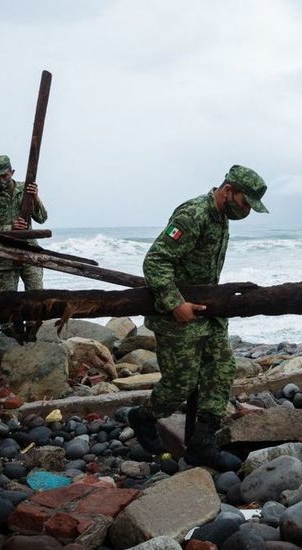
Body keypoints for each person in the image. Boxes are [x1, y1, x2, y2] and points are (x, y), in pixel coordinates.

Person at [127, 165, 269, 469]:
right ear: (228, 190)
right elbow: (155, 261)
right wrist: (175, 303)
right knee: (180, 385)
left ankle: (201, 444)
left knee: (221, 370)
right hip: (177, 318)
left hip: (210, 315)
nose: (246, 211)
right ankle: (142, 417)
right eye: (245, 203)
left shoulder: (221, 217)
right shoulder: (194, 214)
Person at [0, 154, 48, 342]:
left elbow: (42, 218)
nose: (0, 180)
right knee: (6, 300)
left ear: (12, 172)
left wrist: (35, 198)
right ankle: (9, 337)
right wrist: (10, 228)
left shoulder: (26, 189)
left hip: (29, 252)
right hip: (4, 255)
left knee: (36, 295)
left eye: (4, 175)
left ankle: (34, 333)